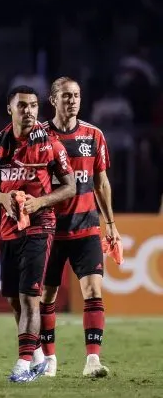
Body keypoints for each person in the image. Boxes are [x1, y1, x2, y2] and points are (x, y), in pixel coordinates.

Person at [0, 85, 76, 383]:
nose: (29, 111)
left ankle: (22, 364)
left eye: (33, 105)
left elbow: (70, 186)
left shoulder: (50, 145)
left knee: (30, 295)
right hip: (9, 229)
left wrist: (40, 202)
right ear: (10, 109)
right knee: (13, 299)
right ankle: (36, 356)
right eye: (22, 105)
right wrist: (3, 198)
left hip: (40, 226)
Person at [39, 77, 117, 378]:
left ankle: (93, 360)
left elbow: (101, 182)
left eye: (76, 95)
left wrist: (110, 223)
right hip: (49, 229)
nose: (72, 100)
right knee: (47, 295)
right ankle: (49, 360)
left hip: (86, 226)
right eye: (66, 96)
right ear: (53, 100)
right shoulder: (39, 136)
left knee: (93, 289)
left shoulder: (93, 135)